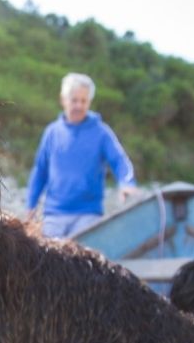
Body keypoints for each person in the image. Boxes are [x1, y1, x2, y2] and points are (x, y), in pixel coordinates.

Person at [26, 73, 138, 238]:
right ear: (63, 99)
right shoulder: (52, 132)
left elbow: (119, 160)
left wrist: (127, 182)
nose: (79, 105)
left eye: (83, 101)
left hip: (88, 215)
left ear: (89, 102)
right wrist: (31, 206)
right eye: (74, 100)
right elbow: (40, 171)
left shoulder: (101, 132)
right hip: (53, 215)